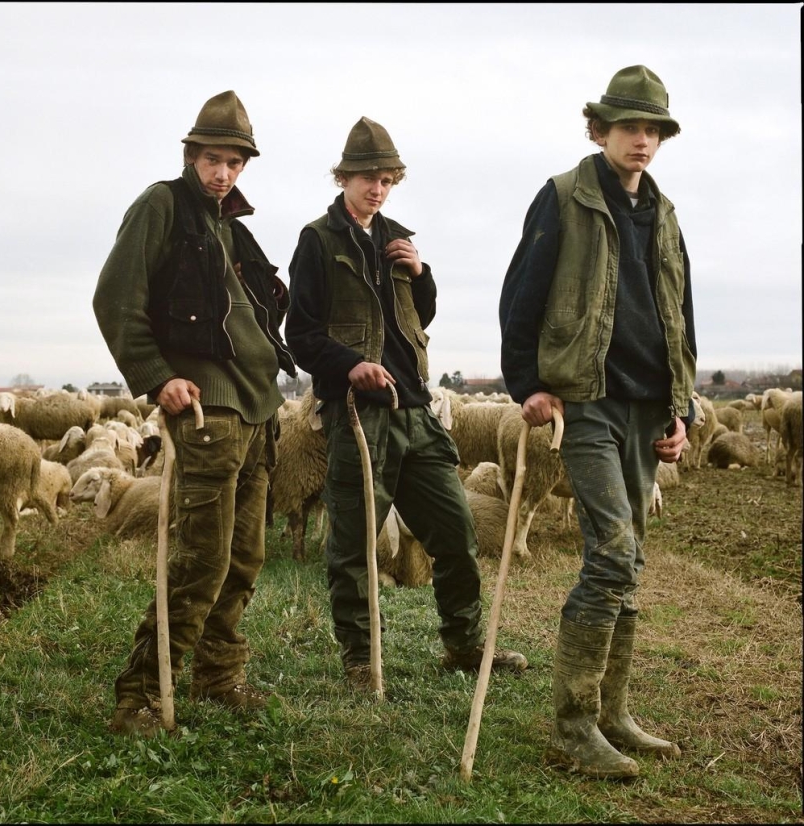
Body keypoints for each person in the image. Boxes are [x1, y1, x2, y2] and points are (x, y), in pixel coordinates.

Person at [499, 66, 696, 779]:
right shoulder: (561, 198)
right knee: (610, 555)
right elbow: (521, 294)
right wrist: (526, 383)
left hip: (648, 406)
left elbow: (679, 311)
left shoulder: (665, 213)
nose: (641, 141)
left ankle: (611, 713)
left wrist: (682, 407)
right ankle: (572, 728)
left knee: (630, 566)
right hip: (584, 400)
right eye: (628, 128)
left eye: (652, 130)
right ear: (597, 131)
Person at [285, 116, 527, 691]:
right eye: (367, 177)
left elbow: (421, 316)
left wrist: (421, 274)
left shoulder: (397, 236)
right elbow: (301, 334)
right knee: (354, 544)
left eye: (387, 178)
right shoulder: (317, 241)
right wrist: (351, 366)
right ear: (343, 178)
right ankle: (360, 661)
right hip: (358, 416)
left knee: (456, 531)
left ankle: (464, 645)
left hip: (417, 411)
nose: (377, 188)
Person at [93, 90, 296, 736]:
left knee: (244, 556)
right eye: (213, 159)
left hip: (257, 409)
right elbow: (115, 299)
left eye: (235, 163)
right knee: (201, 559)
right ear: (191, 155)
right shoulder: (163, 206)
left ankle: (218, 672)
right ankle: (141, 695)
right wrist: (157, 378)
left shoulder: (232, 228)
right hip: (207, 409)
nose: (223, 173)